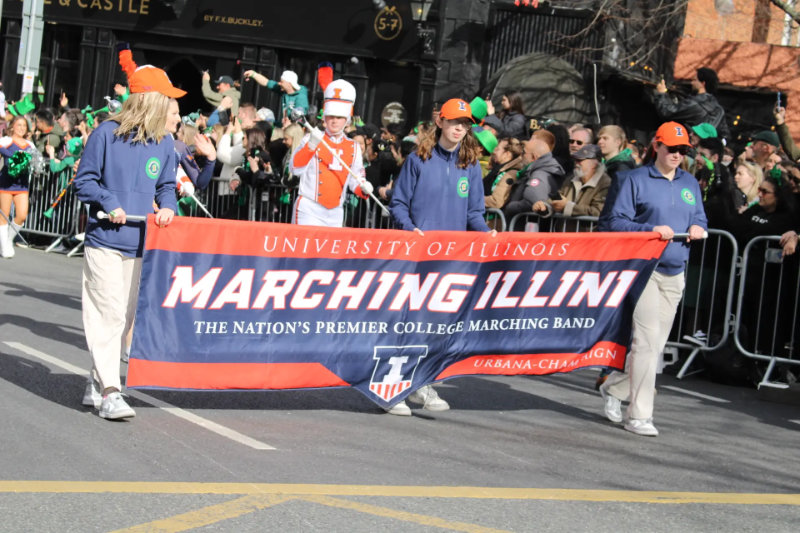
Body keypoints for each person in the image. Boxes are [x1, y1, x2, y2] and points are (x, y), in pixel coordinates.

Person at [74, 55, 184, 420]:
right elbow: (84, 182)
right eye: (168, 99)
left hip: (139, 243)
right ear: (151, 100)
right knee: (107, 314)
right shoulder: (105, 133)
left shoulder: (164, 142)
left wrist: (168, 207)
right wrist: (109, 202)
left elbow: (166, 185)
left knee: (122, 318)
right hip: (104, 240)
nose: (173, 107)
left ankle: (96, 381)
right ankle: (111, 391)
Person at [599, 121, 707, 437]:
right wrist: (651, 230)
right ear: (657, 146)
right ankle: (639, 415)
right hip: (643, 269)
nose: (677, 154)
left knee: (654, 346)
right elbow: (615, 222)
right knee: (646, 342)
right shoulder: (635, 179)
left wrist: (699, 227)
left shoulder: (689, 182)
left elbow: (699, 217)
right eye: (672, 148)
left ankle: (615, 387)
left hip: (675, 270)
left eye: (683, 150)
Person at [389, 98, 496, 416]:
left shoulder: (470, 164)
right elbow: (399, 203)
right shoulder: (418, 158)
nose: (459, 128)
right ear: (440, 122)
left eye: (465, 124)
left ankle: (422, 383)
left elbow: (474, 212)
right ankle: (394, 387)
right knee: (409, 323)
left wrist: (486, 233)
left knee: (437, 325)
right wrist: (410, 229)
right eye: (454, 122)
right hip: (418, 256)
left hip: (452, 258)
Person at [290, 79, 372, 227]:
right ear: (324, 118)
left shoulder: (353, 147)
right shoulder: (311, 138)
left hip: (336, 212)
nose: (334, 121)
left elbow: (355, 179)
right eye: (331, 116)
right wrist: (310, 146)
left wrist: (364, 188)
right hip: (309, 209)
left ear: (346, 120)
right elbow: (295, 169)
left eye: (339, 117)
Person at [536, 143, 611, 221]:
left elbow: (598, 212)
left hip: (586, 229)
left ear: (594, 163)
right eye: (575, 160)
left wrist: (568, 206)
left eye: (580, 160)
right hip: (564, 228)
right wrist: (544, 207)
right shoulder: (571, 179)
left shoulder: (605, 183)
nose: (576, 163)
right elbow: (558, 198)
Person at [653, 67, 730, 139]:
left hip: (687, 144)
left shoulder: (694, 103)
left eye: (695, 80)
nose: (691, 83)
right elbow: (725, 134)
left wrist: (661, 94)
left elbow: (667, 111)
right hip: (705, 148)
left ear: (703, 83)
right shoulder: (719, 110)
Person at [0, 115, 37, 258]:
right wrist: (14, 155)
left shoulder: (30, 145)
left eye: (24, 125)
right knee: (4, 215)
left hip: (22, 185)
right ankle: (4, 247)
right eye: (19, 125)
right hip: (6, 183)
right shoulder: (6, 140)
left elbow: (36, 160)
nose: (21, 128)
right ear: (12, 126)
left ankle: (8, 240)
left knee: (21, 215)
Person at [244, 69, 309, 127]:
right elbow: (266, 82)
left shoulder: (301, 97)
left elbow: (298, 119)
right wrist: (253, 74)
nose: (279, 83)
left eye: (282, 82)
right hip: (284, 127)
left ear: (289, 83)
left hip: (293, 130)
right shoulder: (284, 90)